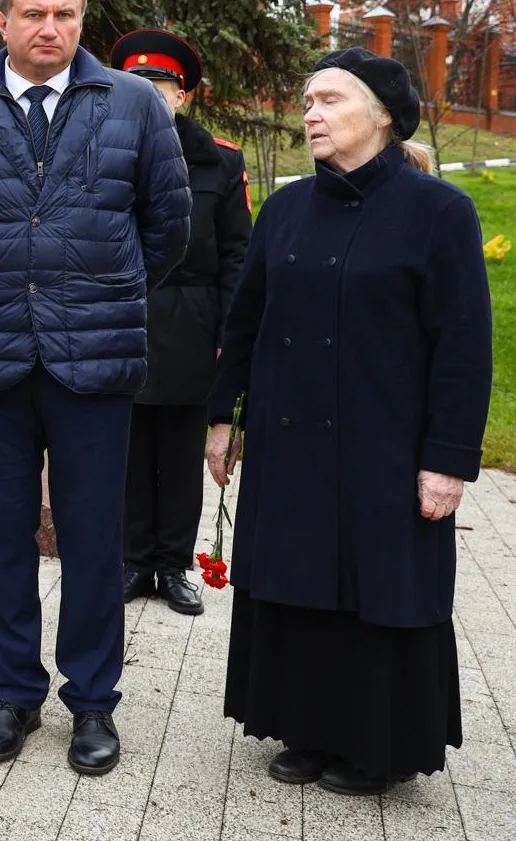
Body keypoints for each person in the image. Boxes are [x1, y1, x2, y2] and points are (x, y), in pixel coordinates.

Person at [0, 0, 190, 776]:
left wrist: (101, 290)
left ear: (81, 22)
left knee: (93, 537)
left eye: (65, 14)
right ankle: (15, 693)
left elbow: (166, 228)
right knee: (1, 536)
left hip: (94, 358)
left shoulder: (133, 105)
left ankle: (93, 702)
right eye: (33, 13)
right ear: (2, 22)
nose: (49, 29)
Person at [209, 48, 491, 795]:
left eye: (330, 100)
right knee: (296, 577)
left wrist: (448, 460)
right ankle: (303, 729)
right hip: (289, 440)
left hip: (385, 446)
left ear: (384, 116)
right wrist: (221, 418)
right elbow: (245, 322)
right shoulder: (286, 208)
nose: (311, 114)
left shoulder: (439, 212)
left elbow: (464, 347)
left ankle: (376, 747)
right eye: (307, 101)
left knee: (378, 587)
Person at [105, 31, 251, 617]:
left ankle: (172, 565)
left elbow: (238, 255)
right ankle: (133, 560)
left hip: (192, 322)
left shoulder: (220, 159)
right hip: (122, 316)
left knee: (183, 453)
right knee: (128, 449)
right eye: (136, 84)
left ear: (182, 95)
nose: (149, 94)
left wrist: (229, 336)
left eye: (160, 85)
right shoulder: (103, 151)